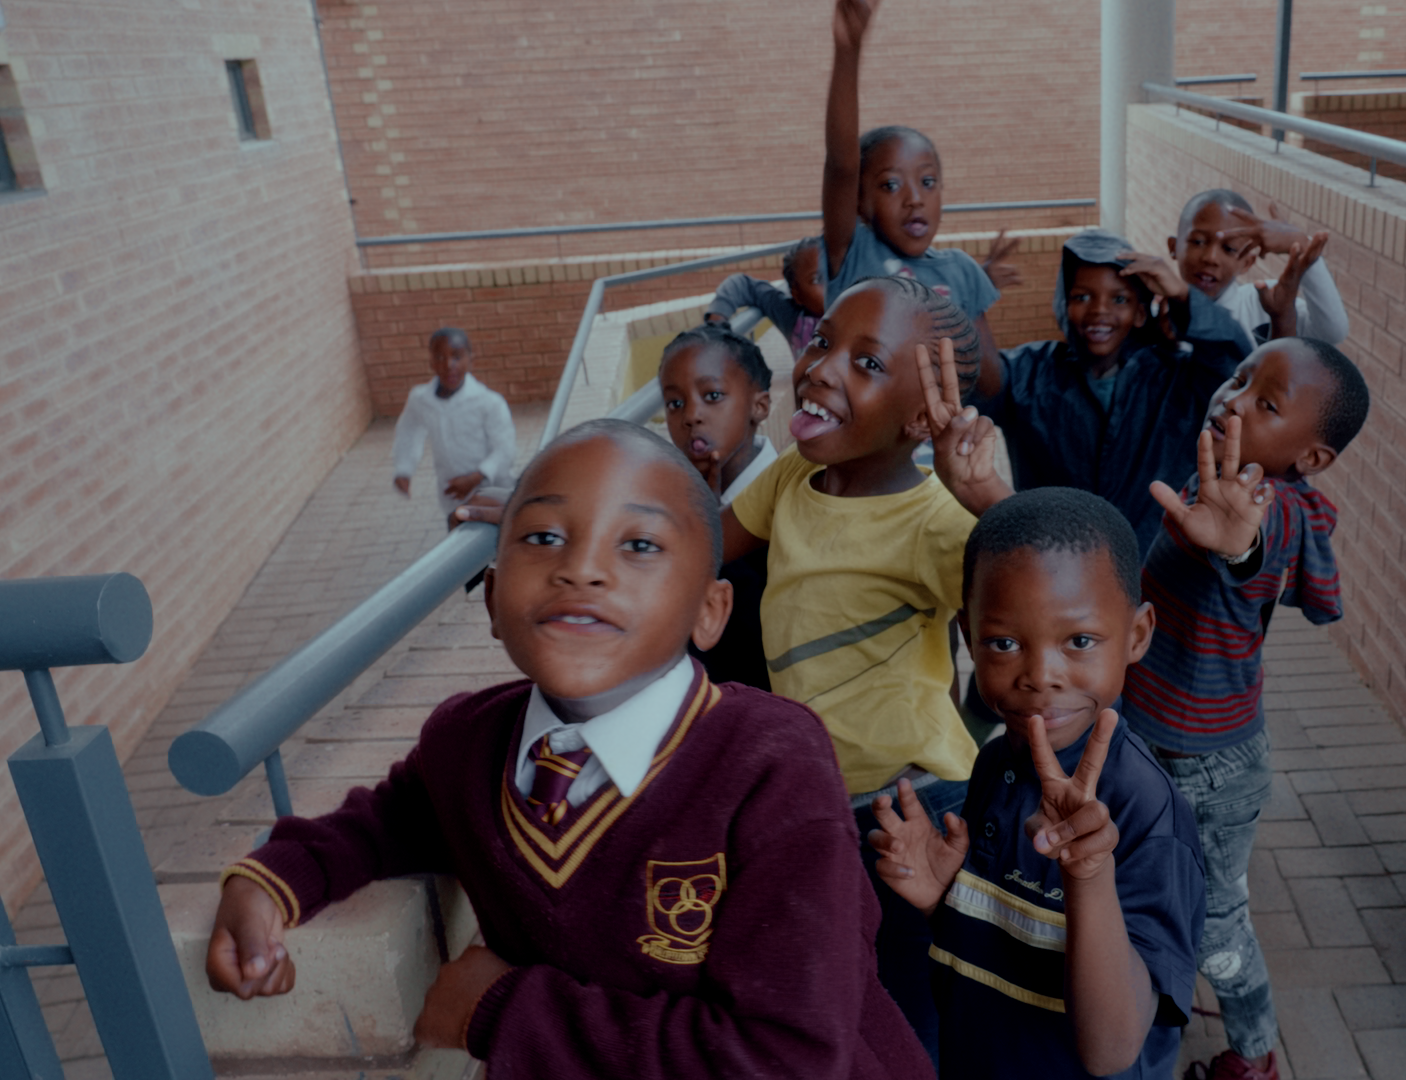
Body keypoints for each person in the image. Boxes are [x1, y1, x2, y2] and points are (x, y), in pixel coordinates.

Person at [206, 420, 931, 1080]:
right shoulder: (466, 743)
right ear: (493, 599)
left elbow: (788, 1057)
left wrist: (500, 1011)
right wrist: (272, 881)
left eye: (639, 545)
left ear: (709, 612)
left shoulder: (772, 763)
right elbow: (387, 821)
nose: (581, 569)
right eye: (544, 538)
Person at [720, 274, 1010, 1062]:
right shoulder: (792, 475)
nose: (821, 368)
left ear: (919, 416)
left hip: (908, 806)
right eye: (822, 342)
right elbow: (699, 548)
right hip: (819, 800)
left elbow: (1038, 607)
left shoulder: (936, 522)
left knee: (909, 1018)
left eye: (868, 363)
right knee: (830, 1002)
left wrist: (988, 501)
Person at [866, 487, 1204, 1078]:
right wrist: (942, 900)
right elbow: (998, 944)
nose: (1041, 676)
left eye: (1079, 641)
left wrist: (1088, 876)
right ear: (969, 638)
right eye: (1004, 643)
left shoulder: (1148, 813)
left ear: (1137, 635)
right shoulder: (994, 765)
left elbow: (1111, 1049)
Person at [1122, 338, 1370, 1080]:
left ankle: (1255, 1057)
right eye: (1238, 378)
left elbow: (1254, 549)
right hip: (1157, 736)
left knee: (1219, 922)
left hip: (1208, 766)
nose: (1231, 399)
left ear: (1310, 457)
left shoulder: (1272, 507)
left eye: (1264, 403)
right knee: (1155, 883)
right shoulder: (1222, 483)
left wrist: (1239, 546)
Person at [973, 228, 1252, 558]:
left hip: (1152, 568)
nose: (1099, 310)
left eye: (1119, 299)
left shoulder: (1176, 380)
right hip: (1053, 567)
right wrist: (972, 297)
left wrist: (1181, 295)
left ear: (1140, 312)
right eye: (1082, 297)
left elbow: (1233, 361)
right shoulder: (1029, 373)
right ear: (1063, 305)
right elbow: (982, 384)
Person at [823, 0, 1001, 358]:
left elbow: (990, 380)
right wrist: (848, 50)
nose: (915, 199)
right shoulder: (855, 251)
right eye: (890, 185)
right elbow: (842, 165)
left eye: (928, 182)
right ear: (860, 204)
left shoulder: (963, 271)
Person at [658, 323, 778, 689]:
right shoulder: (670, 498)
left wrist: (709, 533)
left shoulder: (785, 500)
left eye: (712, 396)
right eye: (675, 403)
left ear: (759, 405)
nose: (690, 416)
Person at [1168, 190, 1349, 347]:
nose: (1211, 258)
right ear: (1173, 247)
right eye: (1198, 242)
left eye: (1229, 249)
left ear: (1247, 263)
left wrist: (1303, 248)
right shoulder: (1158, 319)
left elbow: (1332, 332)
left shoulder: (1265, 304)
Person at [391, 327, 519, 517]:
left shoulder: (488, 402)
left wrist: (475, 478)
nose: (449, 364)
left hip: (494, 493)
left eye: (457, 357)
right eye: (440, 358)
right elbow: (409, 431)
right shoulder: (421, 399)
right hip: (451, 493)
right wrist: (404, 469)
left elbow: (505, 449)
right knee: (458, 526)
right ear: (431, 362)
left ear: (471, 359)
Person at [704, 236, 828, 358]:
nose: (831, 284)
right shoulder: (793, 318)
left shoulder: (842, 311)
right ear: (797, 295)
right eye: (817, 279)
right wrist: (717, 322)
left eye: (834, 274)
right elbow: (743, 285)